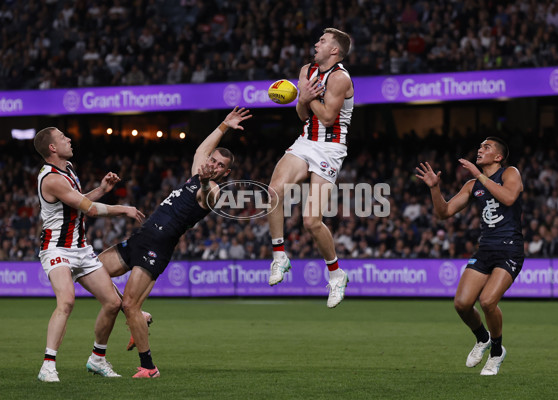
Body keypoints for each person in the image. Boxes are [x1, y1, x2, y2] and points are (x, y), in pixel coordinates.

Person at [98, 107, 251, 378]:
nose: (213, 165)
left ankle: (149, 367)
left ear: (226, 173)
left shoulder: (213, 189)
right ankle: (140, 319)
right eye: (213, 160)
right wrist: (224, 125)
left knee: (129, 305)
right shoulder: (198, 174)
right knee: (93, 270)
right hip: (142, 237)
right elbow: (200, 152)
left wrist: (205, 182)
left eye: (220, 165)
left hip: (157, 247)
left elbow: (206, 197)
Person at [33, 127, 145, 382]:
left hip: (81, 249)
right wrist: (123, 209)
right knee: (67, 301)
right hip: (56, 249)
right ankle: (47, 366)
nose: (69, 139)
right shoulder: (51, 178)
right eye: (63, 138)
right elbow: (91, 211)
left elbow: (79, 202)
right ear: (52, 148)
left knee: (113, 303)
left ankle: (97, 359)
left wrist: (102, 189)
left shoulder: (68, 168)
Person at [415, 137, 524, 376]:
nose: (480, 149)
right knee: (462, 304)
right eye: (480, 146)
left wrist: (479, 174)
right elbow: (444, 212)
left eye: (487, 147)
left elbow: (508, 198)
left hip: (510, 248)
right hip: (485, 249)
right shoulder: (472, 185)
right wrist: (435, 188)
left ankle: (496, 352)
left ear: (498, 157)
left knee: (487, 301)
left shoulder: (510, 173)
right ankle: (482, 338)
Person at [267, 28, 354, 308]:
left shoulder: (340, 78)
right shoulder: (307, 69)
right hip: (306, 141)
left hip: (330, 147)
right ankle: (279, 256)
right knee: (273, 191)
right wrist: (302, 98)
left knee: (311, 221)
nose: (317, 43)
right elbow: (302, 113)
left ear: (335, 51)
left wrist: (306, 96)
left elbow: (328, 117)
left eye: (323, 41)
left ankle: (336, 274)